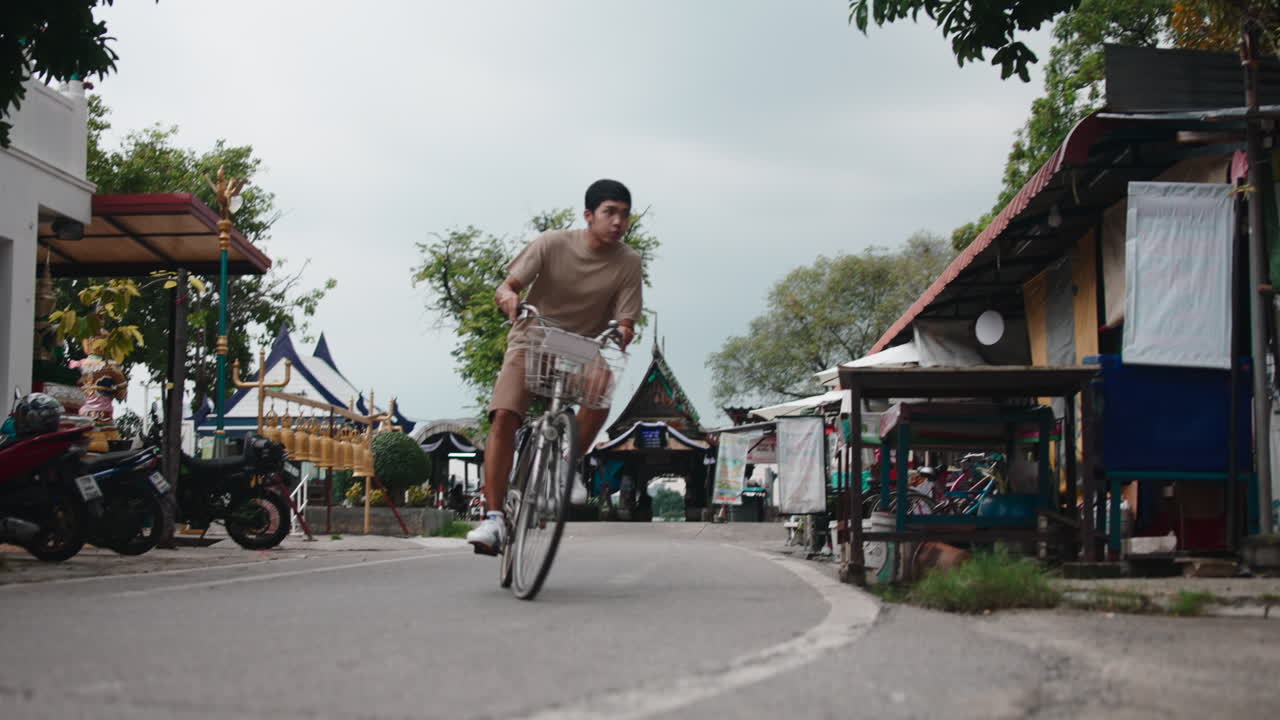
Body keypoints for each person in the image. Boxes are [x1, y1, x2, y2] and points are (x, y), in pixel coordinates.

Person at [467, 179, 642, 555]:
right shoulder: (552, 243)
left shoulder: (628, 261)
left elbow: (627, 319)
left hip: (581, 345)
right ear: (589, 215)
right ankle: (493, 518)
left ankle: (565, 465)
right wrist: (508, 298)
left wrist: (624, 331)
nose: (618, 222)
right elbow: (507, 286)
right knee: (504, 415)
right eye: (610, 212)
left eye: (625, 215)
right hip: (534, 334)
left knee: (602, 388)